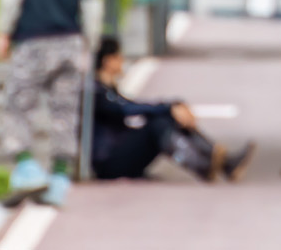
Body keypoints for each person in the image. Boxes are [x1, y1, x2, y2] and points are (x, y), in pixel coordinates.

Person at [0, 0, 99, 207]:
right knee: (64, 112)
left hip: (33, 42)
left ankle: (27, 169)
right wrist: (87, 48)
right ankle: (58, 181)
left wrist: (3, 32)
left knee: (17, 103)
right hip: (69, 44)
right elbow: (93, 12)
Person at [90, 36, 255, 183]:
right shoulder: (97, 91)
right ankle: (205, 164)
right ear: (108, 60)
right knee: (158, 124)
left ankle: (220, 161)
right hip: (108, 162)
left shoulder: (109, 89)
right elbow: (126, 109)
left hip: (118, 153)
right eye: (119, 57)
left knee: (166, 118)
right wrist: (168, 107)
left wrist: (171, 106)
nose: (122, 61)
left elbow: (133, 106)